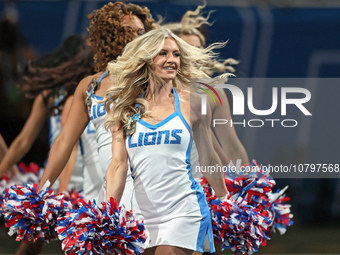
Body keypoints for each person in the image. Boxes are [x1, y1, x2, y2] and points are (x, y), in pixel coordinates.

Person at [102, 28, 229, 255]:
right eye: (163, 53)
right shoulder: (125, 109)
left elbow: (209, 157)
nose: (172, 60)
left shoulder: (193, 103)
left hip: (184, 210)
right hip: (141, 215)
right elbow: (118, 165)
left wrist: (224, 199)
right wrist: (108, 213)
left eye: (176, 54)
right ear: (147, 59)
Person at [37, 2, 155, 209]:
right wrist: (40, 194)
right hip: (105, 192)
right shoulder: (89, 85)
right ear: (110, 37)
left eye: (142, 32)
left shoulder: (155, 82)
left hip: (149, 193)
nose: (138, 38)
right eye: (129, 32)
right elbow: (64, 141)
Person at [0, 34, 94, 255]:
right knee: (34, 243)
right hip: (64, 179)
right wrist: (62, 191)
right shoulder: (61, 95)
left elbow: (24, 141)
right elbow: (28, 140)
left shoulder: (90, 93)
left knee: (71, 246)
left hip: (78, 182)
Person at [162, 1, 249, 167]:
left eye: (199, 49)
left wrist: (251, 185)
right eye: (187, 49)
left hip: (204, 186)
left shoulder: (211, 91)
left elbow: (232, 147)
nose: (195, 55)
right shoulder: (150, 91)